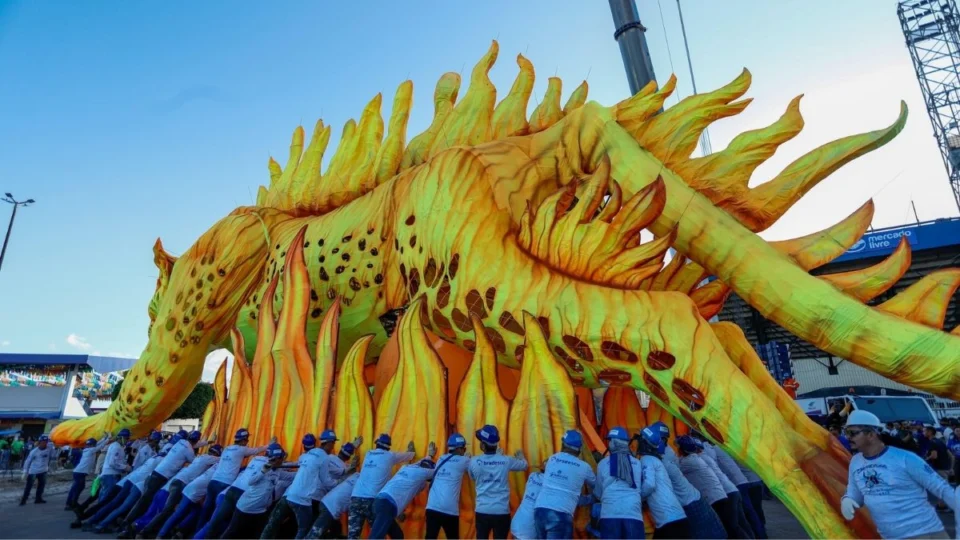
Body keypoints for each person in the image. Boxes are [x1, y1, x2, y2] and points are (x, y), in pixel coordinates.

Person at [841, 410, 958, 539]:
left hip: (923, 533)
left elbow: (941, 488)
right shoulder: (855, 462)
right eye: (846, 433)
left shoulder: (905, 458)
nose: (848, 437)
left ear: (871, 434)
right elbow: (855, 492)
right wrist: (847, 499)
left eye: (852, 433)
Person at [137, 444, 223, 539]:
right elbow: (223, 459)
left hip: (179, 483)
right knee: (169, 510)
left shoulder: (200, 457)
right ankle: (147, 532)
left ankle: (174, 530)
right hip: (181, 484)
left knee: (186, 510)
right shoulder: (209, 458)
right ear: (215, 454)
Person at [676, 435, 750, 539]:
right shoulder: (696, 458)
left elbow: (673, 467)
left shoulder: (688, 462)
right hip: (721, 495)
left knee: (732, 528)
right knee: (736, 526)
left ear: (682, 449)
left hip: (716, 499)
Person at [348, 434, 416, 539]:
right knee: (378, 535)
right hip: (372, 501)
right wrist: (410, 450)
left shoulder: (368, 454)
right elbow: (410, 455)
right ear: (388, 447)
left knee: (353, 536)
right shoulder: (389, 456)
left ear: (377, 444)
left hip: (355, 498)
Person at [221, 443, 295, 539]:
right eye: (281, 458)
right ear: (276, 459)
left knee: (253, 535)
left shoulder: (278, 471)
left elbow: (291, 476)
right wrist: (263, 471)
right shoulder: (262, 467)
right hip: (245, 508)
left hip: (260, 511)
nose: (282, 460)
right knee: (232, 533)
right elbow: (251, 481)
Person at [199, 428, 269, 529]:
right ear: (243, 440)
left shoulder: (227, 448)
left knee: (206, 509)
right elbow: (256, 450)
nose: (247, 442)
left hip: (213, 482)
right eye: (247, 440)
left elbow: (235, 458)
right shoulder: (242, 449)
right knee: (217, 516)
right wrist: (269, 445)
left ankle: (197, 530)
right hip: (225, 483)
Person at [534, 430, 596, 539]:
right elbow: (597, 487)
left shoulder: (552, 459)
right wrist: (592, 498)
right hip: (560, 515)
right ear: (580, 449)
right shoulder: (584, 467)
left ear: (563, 444)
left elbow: (562, 489)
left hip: (540, 511)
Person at [469, 425, 528, 539]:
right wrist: (521, 457)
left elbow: (472, 477)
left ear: (483, 445)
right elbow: (524, 465)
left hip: (482, 511)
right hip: (501, 512)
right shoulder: (506, 460)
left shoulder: (474, 461)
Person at [369, 443, 438, 539]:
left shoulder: (407, 467)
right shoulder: (422, 473)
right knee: (376, 537)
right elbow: (436, 471)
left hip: (380, 503)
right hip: (387, 505)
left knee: (398, 536)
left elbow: (421, 463)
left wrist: (430, 455)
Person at [636, 427, 689, 539]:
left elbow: (649, 485)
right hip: (677, 516)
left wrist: (637, 498)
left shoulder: (646, 459)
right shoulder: (657, 460)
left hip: (668, 520)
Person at [593, 427, 644, 539]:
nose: (609, 443)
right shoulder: (637, 463)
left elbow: (598, 493)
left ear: (613, 443)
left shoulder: (603, 463)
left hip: (609, 514)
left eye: (610, 440)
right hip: (633, 513)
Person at [307, 444, 359, 539]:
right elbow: (343, 482)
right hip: (323, 498)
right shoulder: (345, 468)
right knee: (318, 531)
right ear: (349, 457)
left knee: (314, 526)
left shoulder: (329, 457)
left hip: (311, 494)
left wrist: (354, 445)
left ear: (340, 451)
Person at [424, 433, 470, 539]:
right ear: (459, 449)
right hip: (449, 510)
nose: (464, 451)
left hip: (432, 507)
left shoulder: (441, 458)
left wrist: (430, 455)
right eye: (464, 448)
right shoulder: (464, 461)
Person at [156, 466, 219, 539]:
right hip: (193, 493)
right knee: (178, 514)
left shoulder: (213, 467)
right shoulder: (219, 473)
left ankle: (179, 530)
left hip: (191, 489)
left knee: (196, 511)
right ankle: (161, 535)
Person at [66, 434, 111, 510]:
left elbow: (97, 444)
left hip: (79, 472)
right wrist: (107, 439)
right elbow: (99, 446)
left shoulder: (88, 449)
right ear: (92, 445)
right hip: (80, 473)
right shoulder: (90, 450)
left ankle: (71, 503)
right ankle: (71, 504)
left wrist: (104, 438)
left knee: (77, 488)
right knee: (77, 488)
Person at [20, 434, 53, 505]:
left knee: (41, 486)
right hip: (33, 472)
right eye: (43, 441)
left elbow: (55, 445)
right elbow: (27, 461)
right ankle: (24, 500)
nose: (45, 443)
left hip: (43, 471)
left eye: (46, 441)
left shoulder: (49, 448)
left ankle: (38, 499)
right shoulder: (34, 452)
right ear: (40, 442)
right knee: (29, 486)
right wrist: (25, 472)